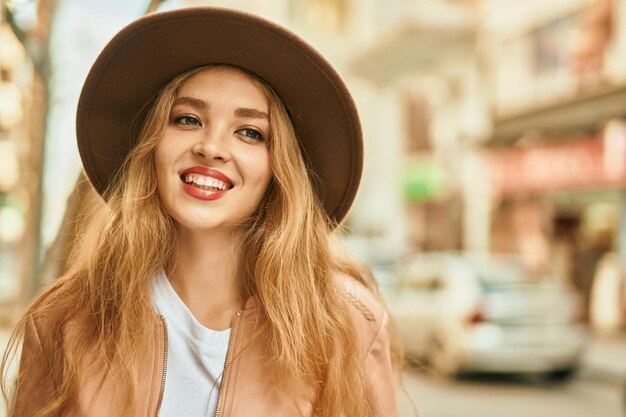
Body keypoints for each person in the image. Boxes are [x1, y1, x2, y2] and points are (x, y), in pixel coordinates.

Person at [1, 7, 399, 417]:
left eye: (250, 132)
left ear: (279, 167)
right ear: (152, 146)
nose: (211, 147)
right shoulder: (65, 323)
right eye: (187, 119)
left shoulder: (346, 323)